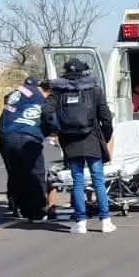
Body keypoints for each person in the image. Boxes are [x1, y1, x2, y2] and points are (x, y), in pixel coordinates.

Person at [43, 58, 116, 234]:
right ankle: (105, 220)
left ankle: (80, 222)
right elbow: (106, 117)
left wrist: (57, 129)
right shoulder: (95, 90)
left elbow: (46, 112)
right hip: (92, 138)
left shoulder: (58, 91)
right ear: (84, 72)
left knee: (77, 181)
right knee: (98, 180)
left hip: (70, 140)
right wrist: (105, 136)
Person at [0, 76, 53, 221]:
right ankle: (36, 210)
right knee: (36, 173)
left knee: (14, 171)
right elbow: (48, 119)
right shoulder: (39, 97)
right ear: (49, 92)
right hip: (27, 136)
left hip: (4, 134)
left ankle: (16, 205)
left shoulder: (17, 92)